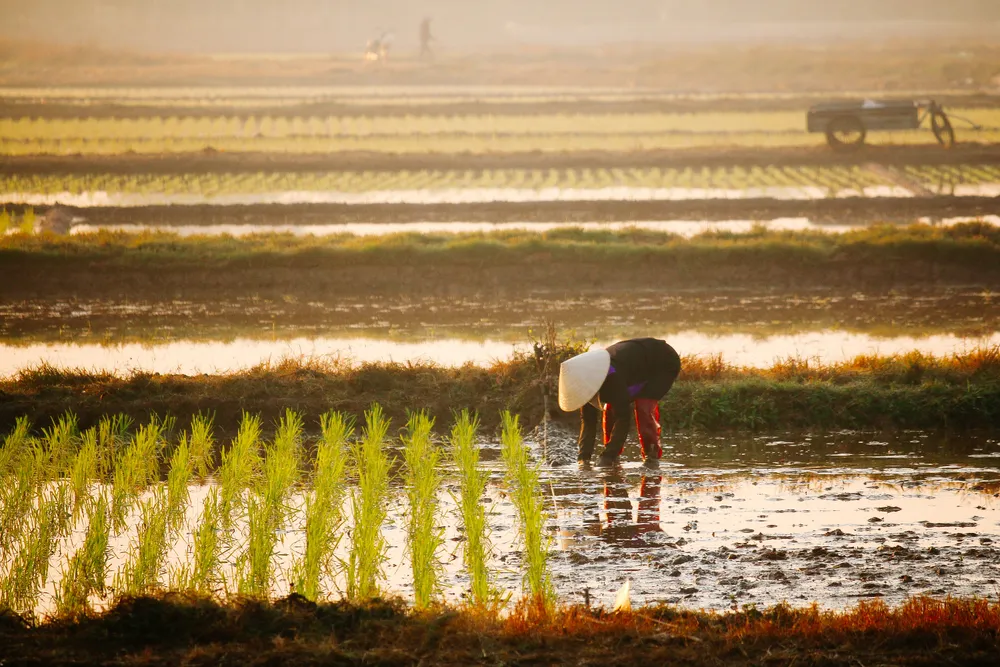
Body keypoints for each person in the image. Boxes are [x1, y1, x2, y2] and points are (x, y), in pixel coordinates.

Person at [558, 338, 680, 469]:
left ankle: (651, 456)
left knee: (643, 407)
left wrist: (607, 457)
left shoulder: (611, 377)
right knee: (610, 408)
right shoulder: (584, 384)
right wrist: (583, 458)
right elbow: (588, 421)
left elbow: (623, 418)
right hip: (633, 368)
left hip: (661, 363)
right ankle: (612, 454)